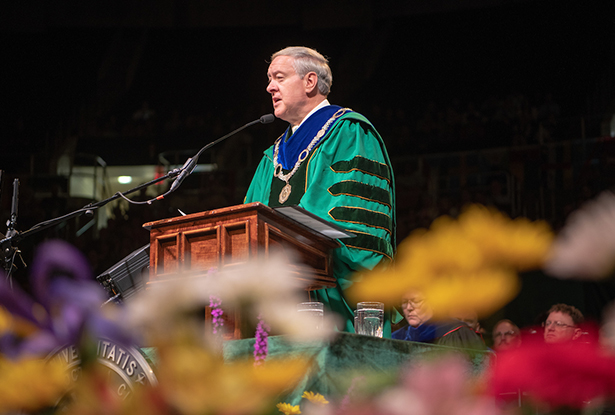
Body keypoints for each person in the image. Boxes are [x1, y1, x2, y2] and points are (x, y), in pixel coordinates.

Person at [244, 46, 395, 334]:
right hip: (281, 306)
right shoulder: (271, 157)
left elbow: (361, 234)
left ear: (310, 82)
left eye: (279, 77)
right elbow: (249, 224)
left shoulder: (350, 132)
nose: (269, 87)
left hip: (337, 301)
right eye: (269, 79)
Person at [391, 291, 486, 350]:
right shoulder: (397, 338)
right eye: (404, 302)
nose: (409, 308)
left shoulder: (457, 333)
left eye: (416, 301)